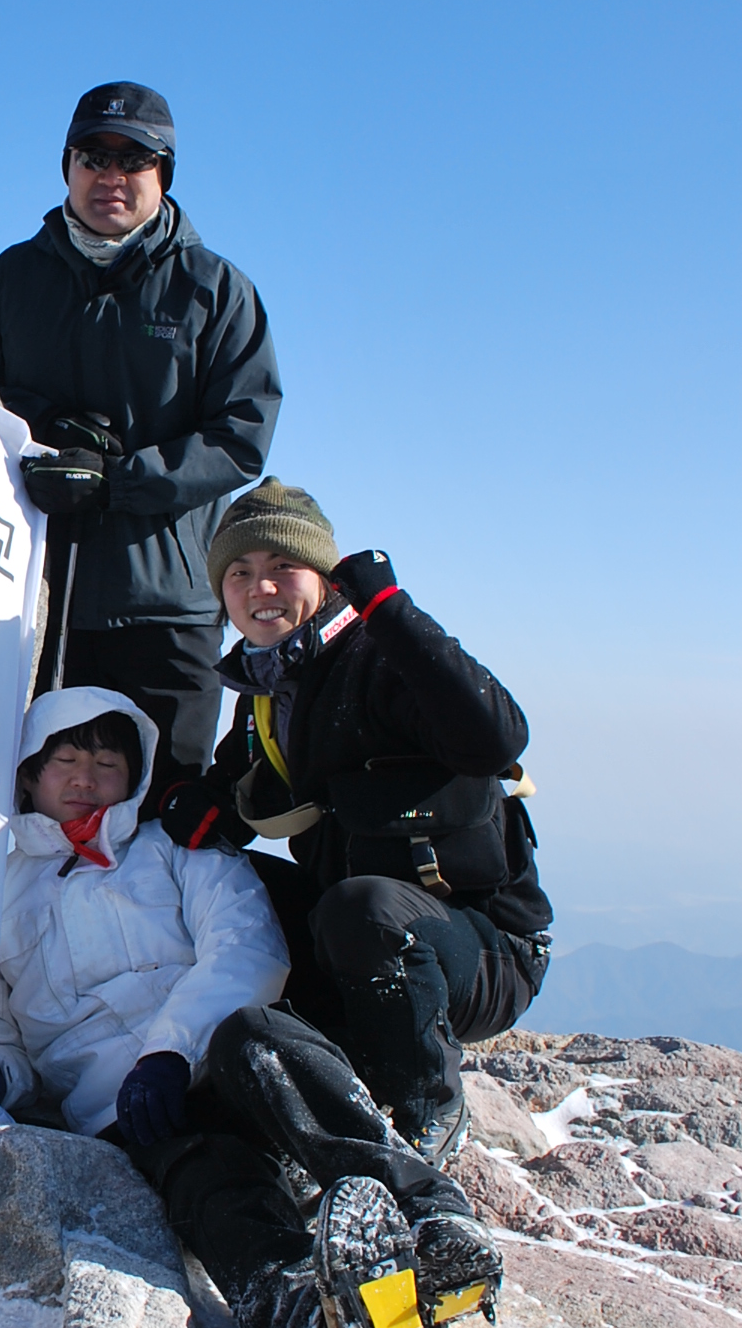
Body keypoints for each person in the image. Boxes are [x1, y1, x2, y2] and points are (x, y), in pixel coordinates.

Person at [160, 480, 554, 1159]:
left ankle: (427, 1102)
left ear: (325, 577)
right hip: (356, 937)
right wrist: (181, 815)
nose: (261, 588)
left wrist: (391, 610)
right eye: (239, 572)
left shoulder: (380, 659)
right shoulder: (269, 692)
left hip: (482, 950)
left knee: (362, 908)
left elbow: (495, 738)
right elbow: (229, 800)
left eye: (283, 566)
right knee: (217, 884)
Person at [0, 82, 280, 802]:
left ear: (165, 174)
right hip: (26, 596)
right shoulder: (8, 281)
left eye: (135, 159)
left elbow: (241, 437)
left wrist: (118, 481)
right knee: (14, 804)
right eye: (94, 156)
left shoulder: (216, 291)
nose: (112, 176)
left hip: (165, 609)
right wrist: (45, 428)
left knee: (169, 811)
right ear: (67, 166)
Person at [133, 1000, 505, 1328]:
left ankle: (429, 1218)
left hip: (215, 1058)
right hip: (141, 1114)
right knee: (212, 1187)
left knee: (257, 1036)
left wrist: (171, 1048)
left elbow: (239, 959)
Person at [0, 687, 289, 1138]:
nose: (85, 779)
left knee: (285, 1062)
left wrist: (171, 1053)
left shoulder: (176, 845)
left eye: (107, 764)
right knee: (208, 1166)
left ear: (136, 776)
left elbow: (246, 946)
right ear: (27, 775)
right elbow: (2, 1038)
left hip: (219, 1056)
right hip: (110, 1108)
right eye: (65, 760)